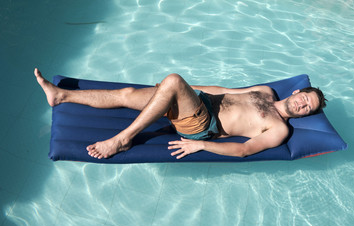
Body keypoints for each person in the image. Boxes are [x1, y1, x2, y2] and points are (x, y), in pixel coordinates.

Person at [34, 68, 326, 160]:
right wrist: (182, 90)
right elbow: (222, 88)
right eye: (304, 98)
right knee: (127, 94)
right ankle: (61, 95)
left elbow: (244, 150)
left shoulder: (279, 129)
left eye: (307, 108)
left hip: (201, 123)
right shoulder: (265, 91)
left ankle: (122, 139)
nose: (302, 104)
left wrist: (201, 144)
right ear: (297, 92)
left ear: (303, 115)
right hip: (197, 101)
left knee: (172, 80)